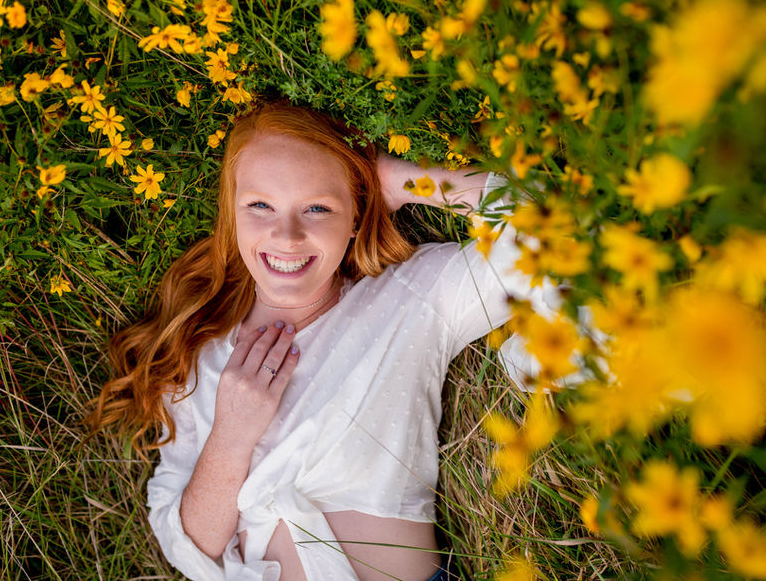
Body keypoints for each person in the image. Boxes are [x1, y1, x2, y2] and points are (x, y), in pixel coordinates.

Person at [89, 101, 554, 580]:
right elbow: (190, 546)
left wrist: (399, 181)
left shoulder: (412, 299)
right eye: (260, 206)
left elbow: (550, 231)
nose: (287, 235)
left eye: (317, 208)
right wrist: (230, 437)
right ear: (232, 215)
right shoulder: (199, 353)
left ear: (356, 216)